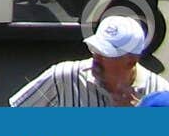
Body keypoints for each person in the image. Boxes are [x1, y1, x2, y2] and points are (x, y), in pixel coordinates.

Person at [9, 15, 168, 107]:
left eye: (106, 53)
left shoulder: (159, 94)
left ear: (130, 61)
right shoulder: (64, 77)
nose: (96, 58)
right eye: (95, 49)